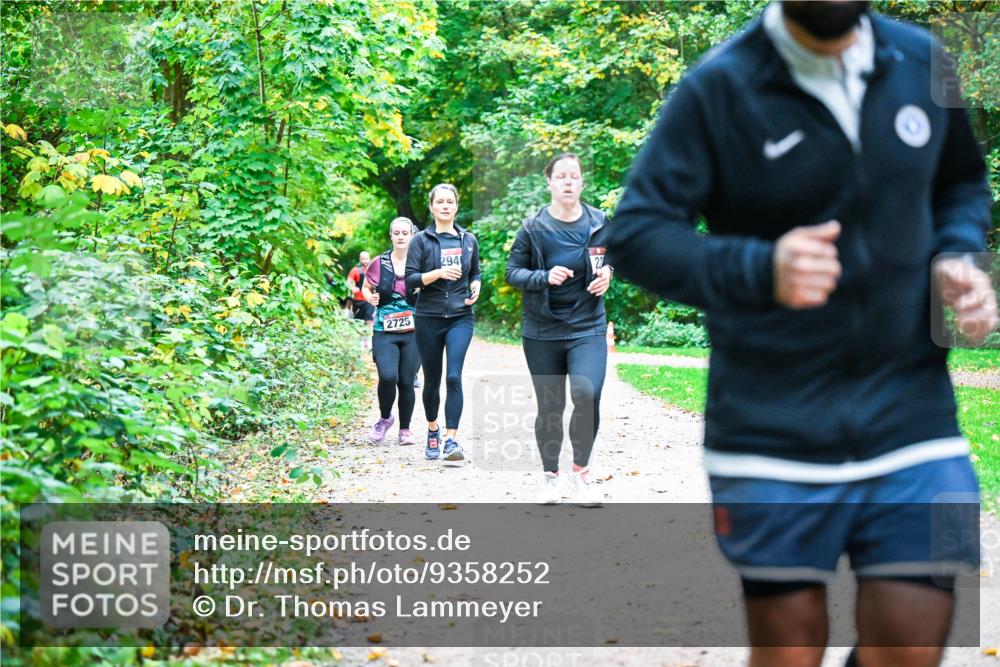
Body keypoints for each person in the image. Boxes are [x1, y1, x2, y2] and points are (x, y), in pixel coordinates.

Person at [607, 2, 996, 666]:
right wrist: (761, 267)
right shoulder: (719, 85)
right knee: (788, 648)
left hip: (914, 416)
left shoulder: (925, 60)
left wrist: (957, 255)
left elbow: (960, 181)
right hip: (769, 426)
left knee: (912, 643)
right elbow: (636, 235)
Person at [505, 153, 613, 507]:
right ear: (549, 182)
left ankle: (580, 472)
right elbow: (512, 273)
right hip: (542, 329)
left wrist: (609, 274)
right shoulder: (533, 227)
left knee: (588, 394)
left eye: (575, 176)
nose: (568, 182)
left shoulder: (599, 222)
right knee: (551, 406)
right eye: (561, 176)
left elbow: (616, 256)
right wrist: (543, 277)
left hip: (588, 325)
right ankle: (550, 476)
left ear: (582, 183)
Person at [405, 184, 482, 464]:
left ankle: (451, 440)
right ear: (432, 207)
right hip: (428, 317)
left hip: (461, 317)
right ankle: (433, 430)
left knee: (454, 377)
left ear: (456, 206)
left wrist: (476, 286)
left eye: (450, 201)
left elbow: (476, 271)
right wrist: (437, 273)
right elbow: (411, 279)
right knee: (432, 381)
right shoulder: (420, 241)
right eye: (440, 202)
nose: (446, 206)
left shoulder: (468, 239)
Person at [362, 218, 421, 446]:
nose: (400, 236)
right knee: (388, 377)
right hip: (384, 330)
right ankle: (385, 418)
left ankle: (405, 430)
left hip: (414, 330)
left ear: (411, 235)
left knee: (406, 381)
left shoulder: (421, 262)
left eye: (404, 232)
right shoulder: (379, 262)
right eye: (396, 232)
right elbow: (366, 288)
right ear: (391, 235)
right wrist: (371, 297)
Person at [347, 251, 375, 350]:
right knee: (359, 322)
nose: (365, 261)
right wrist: (352, 288)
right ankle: (361, 343)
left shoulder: (373, 269)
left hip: (369, 300)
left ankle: (369, 343)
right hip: (358, 300)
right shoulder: (355, 270)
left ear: (370, 258)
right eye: (363, 259)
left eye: (367, 258)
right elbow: (348, 282)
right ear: (360, 259)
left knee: (369, 321)